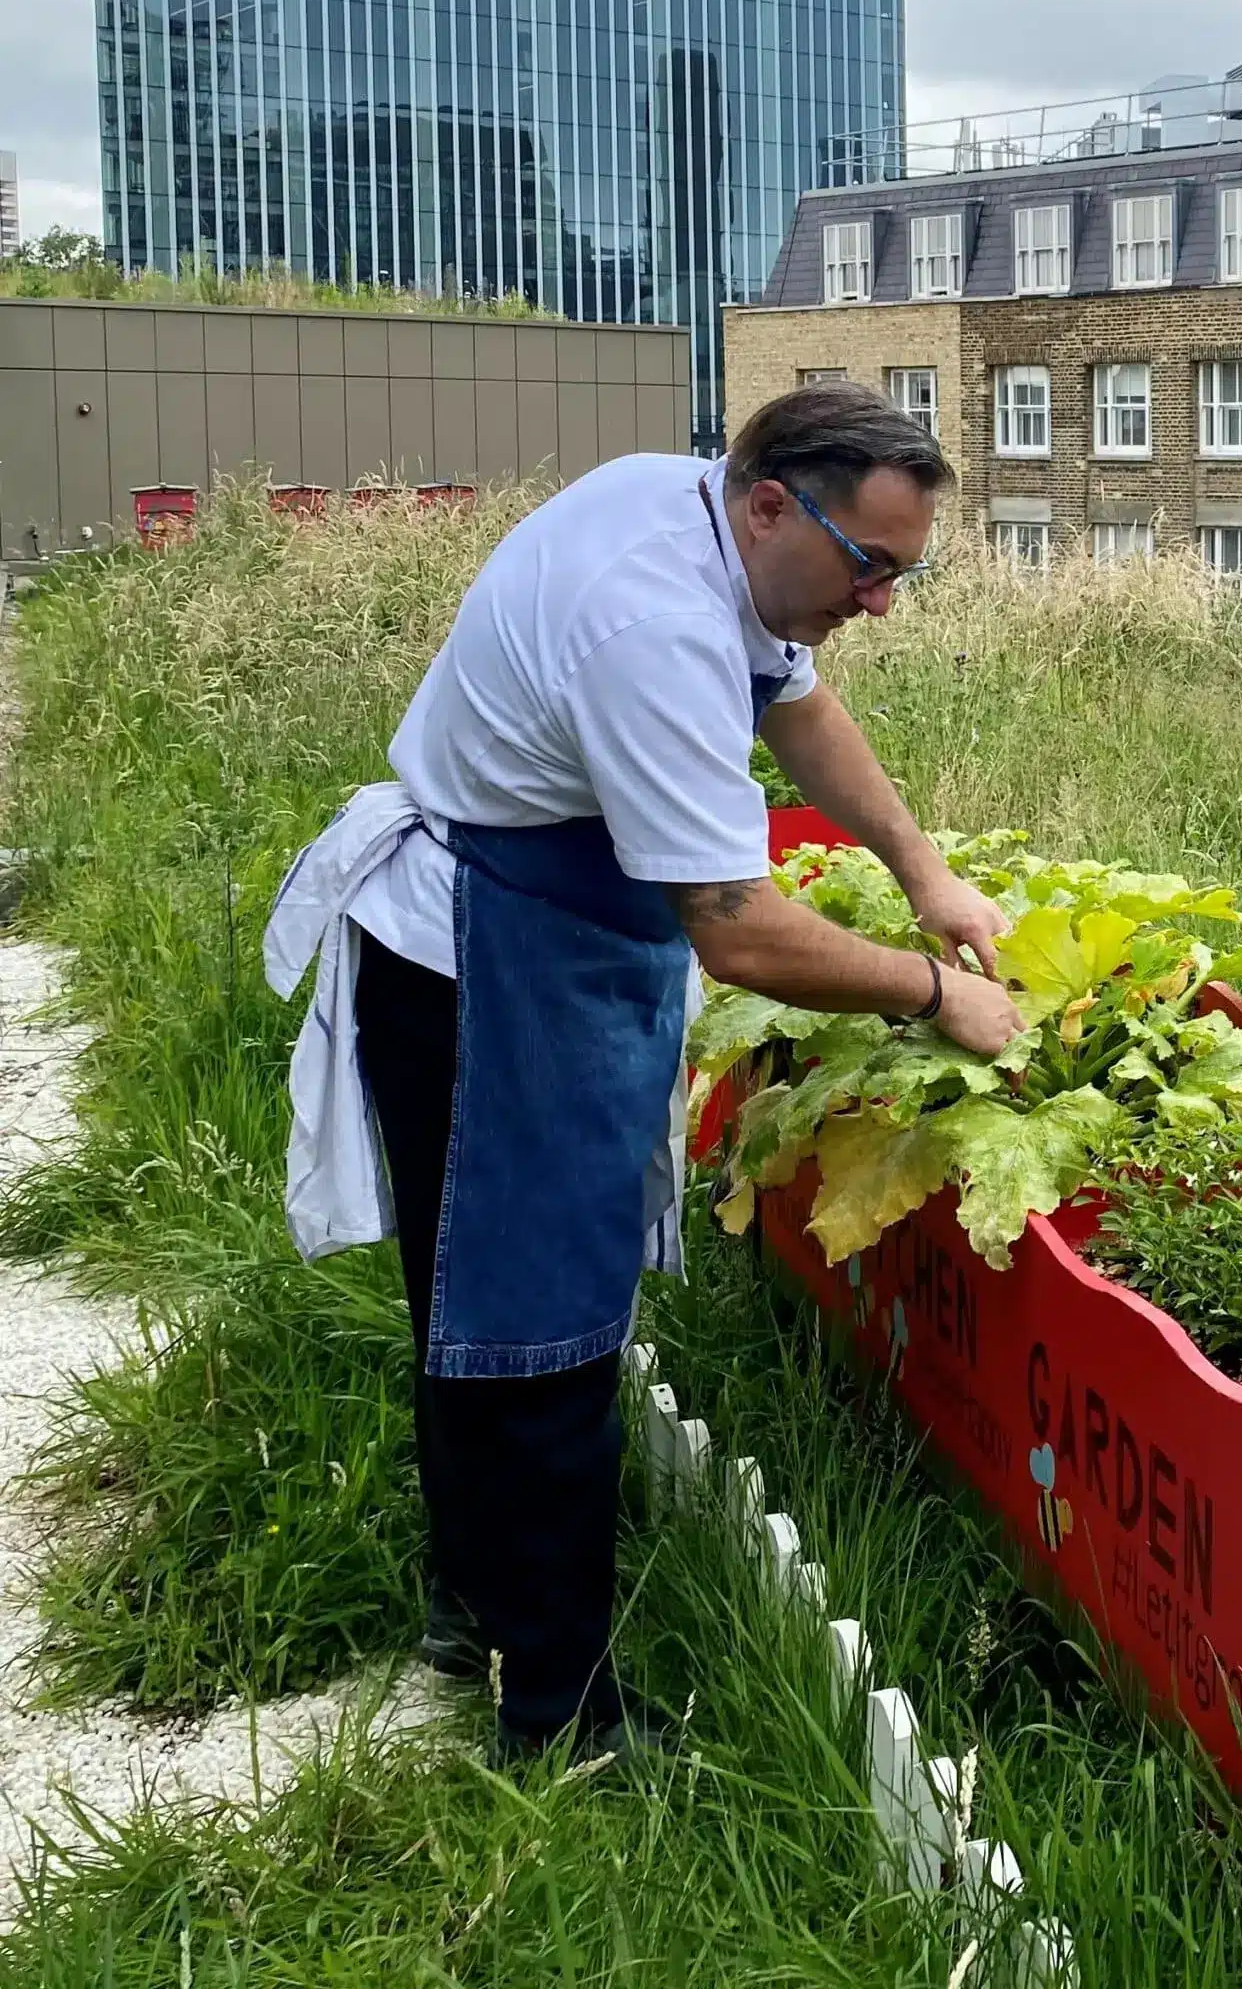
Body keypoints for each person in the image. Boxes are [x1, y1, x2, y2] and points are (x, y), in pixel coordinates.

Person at [264, 383, 1024, 1765]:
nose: (882, 606)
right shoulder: (654, 626)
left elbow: (797, 710)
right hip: (486, 964)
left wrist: (927, 875)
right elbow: (734, 928)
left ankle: (472, 1606)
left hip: (525, 929)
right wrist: (937, 991)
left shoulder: (683, 509)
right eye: (871, 569)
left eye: (907, 574)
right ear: (772, 503)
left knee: (472, 1305)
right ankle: (560, 1718)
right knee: (539, 1333)